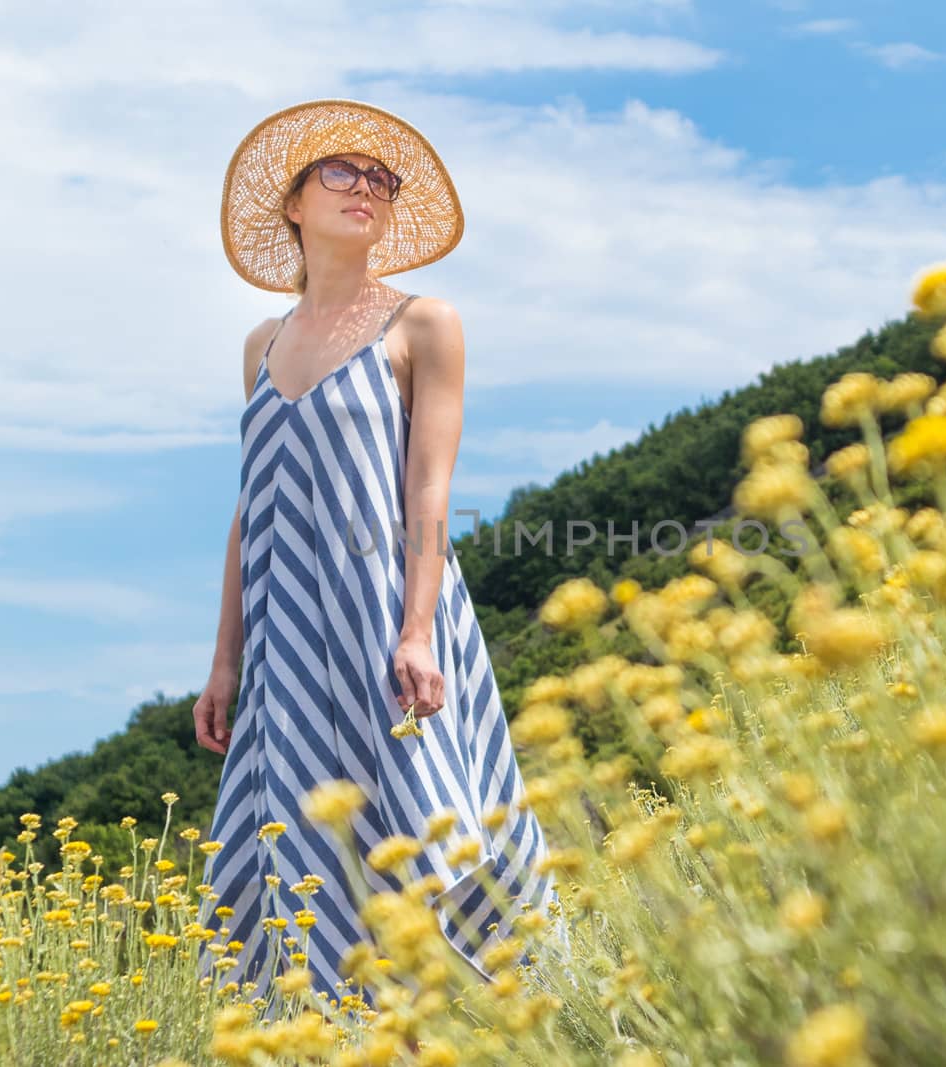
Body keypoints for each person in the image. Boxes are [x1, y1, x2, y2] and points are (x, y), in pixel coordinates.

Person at [191, 99, 567, 1014]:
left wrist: (417, 629)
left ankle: (487, 1024)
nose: (366, 188)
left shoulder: (424, 323)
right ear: (291, 202)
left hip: (388, 619)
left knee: (418, 829)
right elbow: (254, 505)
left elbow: (430, 491)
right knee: (308, 851)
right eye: (341, 172)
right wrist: (223, 659)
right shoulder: (260, 345)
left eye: (381, 180)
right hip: (286, 641)